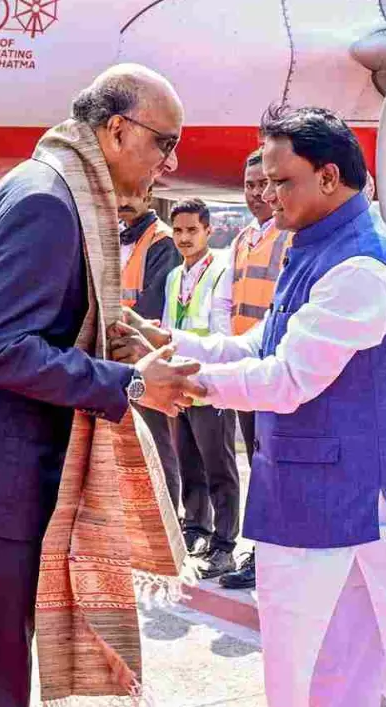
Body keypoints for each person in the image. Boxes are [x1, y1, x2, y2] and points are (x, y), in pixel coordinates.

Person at [114, 105, 386, 707]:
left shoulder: (363, 265)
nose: (267, 195)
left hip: (344, 500)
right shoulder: (316, 242)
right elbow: (266, 343)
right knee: (329, 673)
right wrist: (172, 343)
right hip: (321, 493)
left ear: (328, 177)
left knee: (320, 671)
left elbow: (288, 379)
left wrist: (181, 385)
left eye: (281, 182)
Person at [0, 65, 200, 707]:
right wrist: (129, 381)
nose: (172, 162)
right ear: (117, 131)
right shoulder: (49, 202)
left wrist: (122, 335)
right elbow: (3, 349)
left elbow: (44, 321)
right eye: (164, 143)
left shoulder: (54, 187)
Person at [214, 149, 292, 590]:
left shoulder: (289, 235)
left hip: (275, 371)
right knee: (258, 464)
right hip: (248, 367)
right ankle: (262, 553)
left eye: (264, 183)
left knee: (275, 466)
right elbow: (225, 302)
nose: (257, 193)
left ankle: (273, 554)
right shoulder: (242, 239)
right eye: (249, 185)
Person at [164, 198, 241, 577]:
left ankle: (225, 544)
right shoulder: (173, 277)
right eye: (178, 230)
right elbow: (167, 326)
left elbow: (222, 330)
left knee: (219, 465)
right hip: (180, 381)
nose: (184, 238)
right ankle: (196, 528)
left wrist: (214, 378)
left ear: (208, 230)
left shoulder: (221, 271)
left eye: (192, 230)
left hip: (209, 382)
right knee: (189, 461)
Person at [120, 189, 185, 521]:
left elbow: (152, 305)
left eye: (133, 195)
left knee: (156, 445)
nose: (124, 201)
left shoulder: (162, 241)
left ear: (149, 196)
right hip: (119, 354)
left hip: (142, 355)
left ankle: (168, 519)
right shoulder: (119, 237)